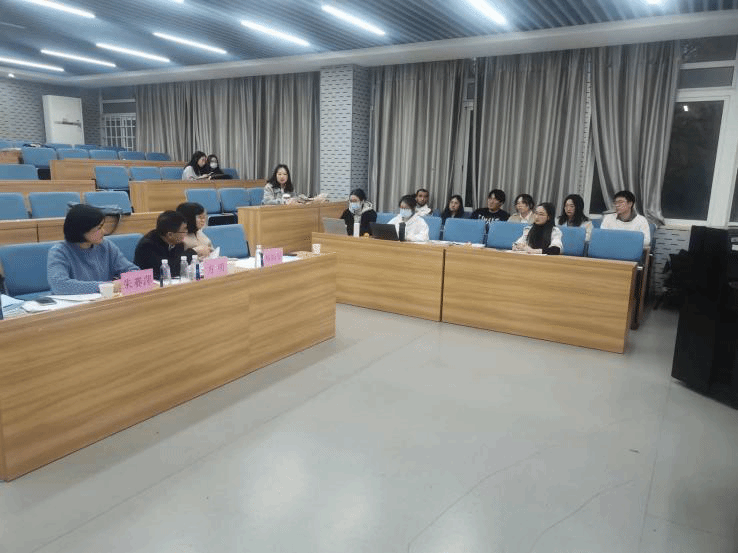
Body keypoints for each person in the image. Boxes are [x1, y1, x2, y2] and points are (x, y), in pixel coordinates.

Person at [47, 204, 138, 295]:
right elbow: (59, 285)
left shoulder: (106, 246)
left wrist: (123, 282)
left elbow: (133, 271)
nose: (104, 231)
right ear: (82, 230)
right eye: (99, 228)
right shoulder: (59, 252)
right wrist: (107, 286)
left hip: (104, 300)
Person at [134, 211, 197, 279]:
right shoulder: (147, 246)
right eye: (183, 231)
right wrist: (193, 252)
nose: (186, 232)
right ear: (170, 235)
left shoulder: (176, 242)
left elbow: (179, 264)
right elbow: (169, 271)